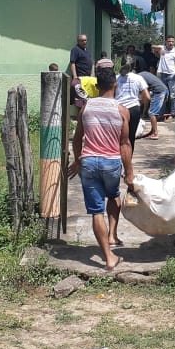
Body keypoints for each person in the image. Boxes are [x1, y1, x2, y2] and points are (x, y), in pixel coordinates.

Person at [66, 68, 133, 271]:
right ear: (115, 85)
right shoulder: (122, 110)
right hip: (111, 163)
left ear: (96, 86)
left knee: (96, 211)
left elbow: (77, 140)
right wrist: (129, 172)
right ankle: (112, 236)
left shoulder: (86, 108)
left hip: (88, 163)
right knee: (113, 195)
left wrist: (78, 161)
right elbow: (124, 144)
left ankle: (107, 254)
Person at [115, 63, 150, 152]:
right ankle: (128, 161)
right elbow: (147, 97)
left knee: (117, 136)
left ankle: (117, 160)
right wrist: (144, 111)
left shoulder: (116, 78)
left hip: (119, 109)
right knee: (131, 137)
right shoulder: (138, 78)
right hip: (134, 109)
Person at [154, 35, 175, 119]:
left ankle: (172, 114)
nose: (171, 43)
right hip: (161, 74)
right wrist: (160, 50)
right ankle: (161, 114)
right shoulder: (163, 48)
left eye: (172, 41)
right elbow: (153, 46)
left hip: (171, 75)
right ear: (166, 42)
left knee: (173, 95)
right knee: (162, 94)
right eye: (169, 41)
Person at [137, 70, 167, 139]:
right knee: (153, 113)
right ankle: (152, 131)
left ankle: (155, 133)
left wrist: (144, 112)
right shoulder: (142, 74)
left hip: (159, 92)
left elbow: (147, 99)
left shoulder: (139, 79)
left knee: (152, 113)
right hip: (162, 90)